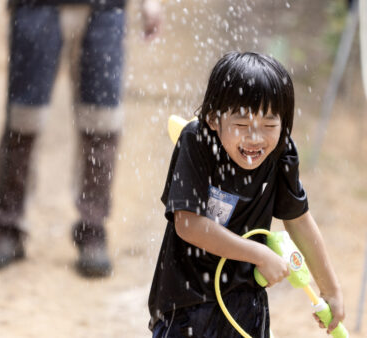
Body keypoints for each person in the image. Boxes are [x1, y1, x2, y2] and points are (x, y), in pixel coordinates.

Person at [147, 52, 345, 337]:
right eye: (241, 125)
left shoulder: (281, 153)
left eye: (269, 125)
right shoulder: (198, 140)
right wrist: (259, 254)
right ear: (214, 119)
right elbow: (188, 224)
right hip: (187, 302)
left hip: (246, 303)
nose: (255, 138)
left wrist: (331, 289)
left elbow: (298, 220)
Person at [0, 0, 163, 277]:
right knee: (23, 119)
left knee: (102, 122)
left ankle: (93, 227)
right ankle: (8, 226)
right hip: (35, 6)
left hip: (105, 8)